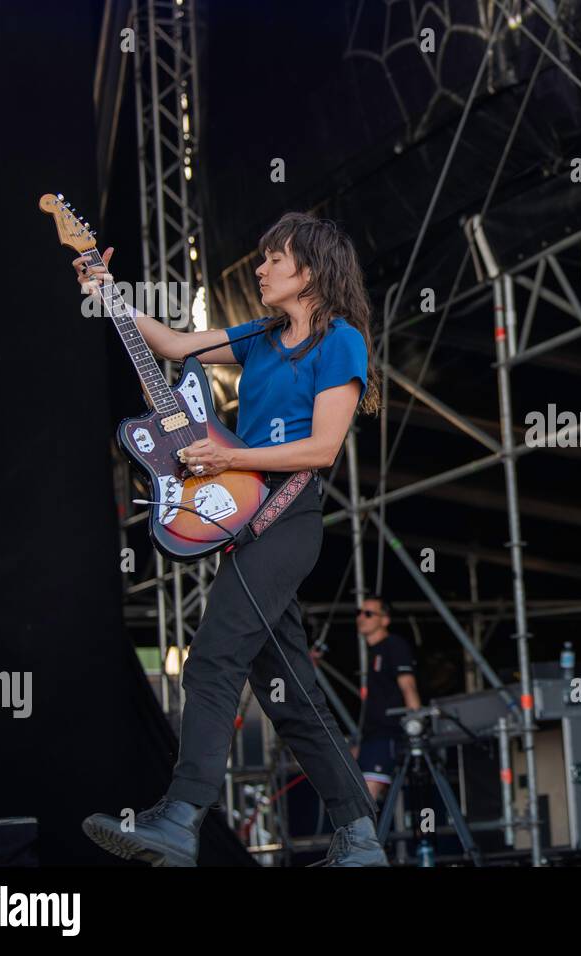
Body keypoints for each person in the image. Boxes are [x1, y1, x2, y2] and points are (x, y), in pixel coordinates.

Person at [78, 213, 389, 866]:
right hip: (248, 528)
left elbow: (325, 446)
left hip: (290, 517)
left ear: (309, 270)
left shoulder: (341, 342)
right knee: (295, 691)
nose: (261, 268)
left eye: (274, 258)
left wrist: (228, 463)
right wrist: (109, 291)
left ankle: (181, 816)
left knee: (214, 656)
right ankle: (360, 835)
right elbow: (173, 343)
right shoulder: (261, 336)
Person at [351, 597, 421, 804]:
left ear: (385, 620)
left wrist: (415, 724)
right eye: (360, 613)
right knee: (359, 801)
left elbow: (408, 686)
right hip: (371, 737)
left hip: (387, 734)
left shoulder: (394, 645)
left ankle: (366, 837)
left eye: (369, 613)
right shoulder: (374, 653)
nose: (361, 618)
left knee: (366, 802)